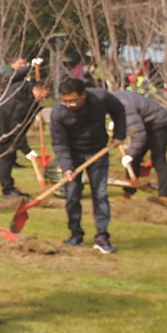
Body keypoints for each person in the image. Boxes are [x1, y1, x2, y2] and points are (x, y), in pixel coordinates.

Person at [50, 77, 127, 252]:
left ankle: (102, 236)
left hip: (98, 151)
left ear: (84, 95)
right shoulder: (58, 113)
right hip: (73, 153)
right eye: (65, 101)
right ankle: (75, 233)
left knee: (100, 194)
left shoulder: (101, 98)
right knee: (72, 195)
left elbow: (119, 110)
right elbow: (60, 144)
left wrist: (119, 134)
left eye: (73, 100)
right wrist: (67, 167)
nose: (69, 104)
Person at [0, 58, 45, 198]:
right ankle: (7, 190)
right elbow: (18, 127)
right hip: (0, 125)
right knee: (4, 155)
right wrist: (26, 150)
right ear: (35, 89)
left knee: (7, 155)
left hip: (5, 123)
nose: (44, 98)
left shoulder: (26, 93)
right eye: (44, 95)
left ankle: (9, 187)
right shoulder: (21, 99)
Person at [111, 88, 167, 200]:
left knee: (158, 158)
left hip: (160, 124)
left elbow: (138, 134)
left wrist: (130, 154)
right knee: (135, 158)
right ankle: (128, 192)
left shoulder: (123, 106)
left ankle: (165, 196)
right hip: (144, 123)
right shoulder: (112, 100)